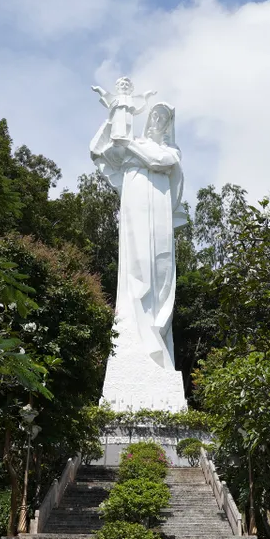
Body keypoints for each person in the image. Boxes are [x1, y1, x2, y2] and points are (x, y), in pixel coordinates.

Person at [90, 100, 187, 370]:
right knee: (136, 263)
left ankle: (155, 331)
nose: (156, 119)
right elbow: (97, 151)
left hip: (157, 210)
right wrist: (114, 117)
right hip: (135, 205)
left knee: (159, 266)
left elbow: (159, 160)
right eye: (154, 114)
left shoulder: (169, 150)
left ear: (168, 124)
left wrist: (128, 142)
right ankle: (135, 328)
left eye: (163, 117)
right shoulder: (132, 148)